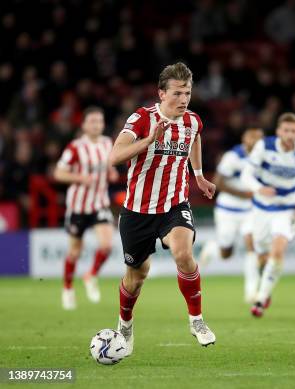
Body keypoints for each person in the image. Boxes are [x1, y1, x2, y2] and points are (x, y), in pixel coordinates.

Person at [108, 62, 217, 355]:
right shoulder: (142, 118)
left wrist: (199, 175)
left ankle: (196, 319)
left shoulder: (193, 121)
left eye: (188, 93)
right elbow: (115, 155)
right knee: (136, 276)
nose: (184, 99)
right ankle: (125, 325)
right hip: (137, 211)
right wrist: (149, 140)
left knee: (183, 253)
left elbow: (195, 138)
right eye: (178, 93)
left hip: (174, 204)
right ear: (161, 93)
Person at [240, 112, 295, 317]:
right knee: (263, 257)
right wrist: (259, 188)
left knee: (278, 251)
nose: (289, 134)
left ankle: (260, 298)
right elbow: (246, 174)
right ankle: (264, 279)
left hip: (287, 209)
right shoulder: (264, 146)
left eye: (293, 131)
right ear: (278, 131)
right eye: (286, 130)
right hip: (262, 209)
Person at [54, 106, 118, 310]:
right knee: (74, 251)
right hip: (78, 206)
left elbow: (110, 167)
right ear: (83, 125)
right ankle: (67, 288)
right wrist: (79, 177)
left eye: (99, 121)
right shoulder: (75, 147)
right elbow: (58, 173)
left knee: (107, 245)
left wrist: (112, 172)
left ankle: (91, 275)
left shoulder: (108, 143)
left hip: (99, 203)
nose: (96, 124)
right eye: (92, 121)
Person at [198, 127, 264, 304]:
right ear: (244, 139)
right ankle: (213, 248)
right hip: (228, 210)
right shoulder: (232, 157)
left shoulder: (263, 157)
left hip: (250, 210)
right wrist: (244, 195)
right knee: (226, 253)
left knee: (252, 246)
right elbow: (218, 183)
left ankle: (251, 292)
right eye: (252, 138)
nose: (255, 142)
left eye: (259, 139)